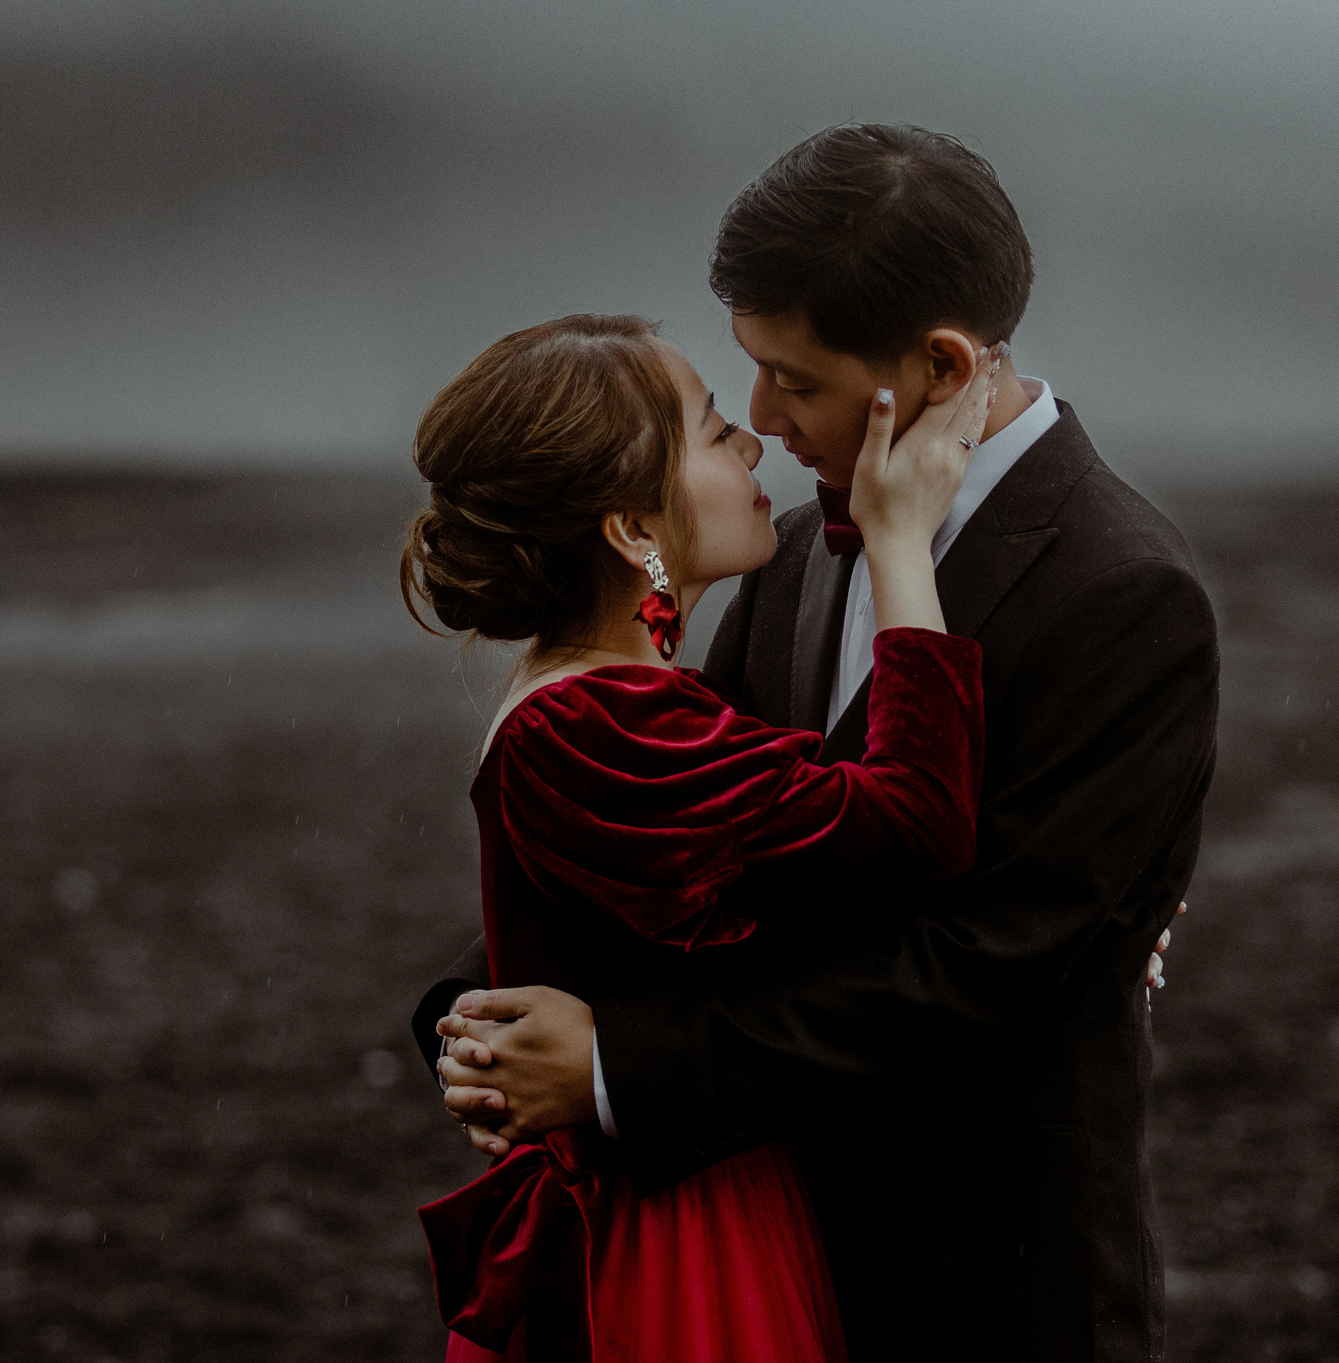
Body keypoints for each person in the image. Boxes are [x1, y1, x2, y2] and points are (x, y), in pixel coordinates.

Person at [424, 124, 1221, 1363]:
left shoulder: (1125, 594)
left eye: (792, 381)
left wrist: (612, 1066)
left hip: (975, 1286)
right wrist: (478, 1023)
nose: (758, 416)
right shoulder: (795, 556)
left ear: (941, 363)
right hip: (754, 1233)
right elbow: (695, 851)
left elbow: (981, 970)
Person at [401, 310, 1003, 1360]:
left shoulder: (618, 700)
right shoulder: (596, 725)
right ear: (632, 528)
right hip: (672, 1238)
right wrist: (902, 541)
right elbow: (912, 825)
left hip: (699, 1182)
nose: (752, 441)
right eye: (713, 425)